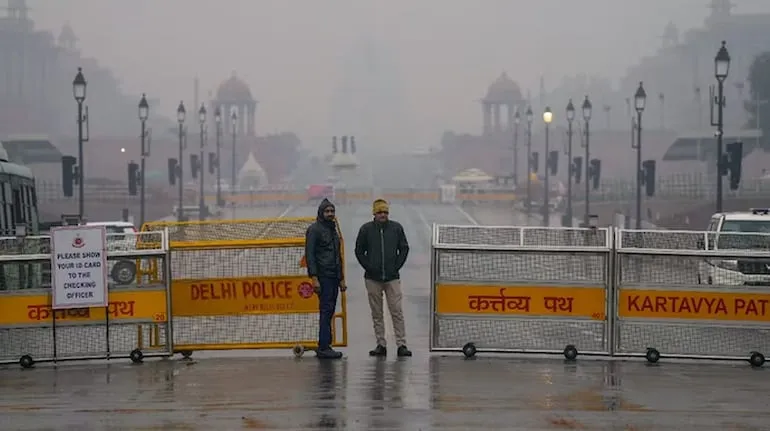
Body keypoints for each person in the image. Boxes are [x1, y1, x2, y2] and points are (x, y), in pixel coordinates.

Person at [355, 198, 412, 357]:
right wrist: (369, 266)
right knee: (377, 313)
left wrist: (396, 266)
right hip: (372, 278)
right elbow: (359, 250)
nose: (383, 215)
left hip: (392, 277)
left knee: (397, 311)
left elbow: (404, 248)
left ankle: (401, 344)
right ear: (374, 213)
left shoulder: (396, 228)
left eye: (385, 212)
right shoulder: (366, 229)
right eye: (380, 212)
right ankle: (381, 344)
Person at [305, 198, 345, 359]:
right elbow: (310, 255)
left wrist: (341, 278)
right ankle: (323, 346)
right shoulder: (314, 230)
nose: (330, 214)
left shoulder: (333, 230)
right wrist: (314, 278)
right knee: (326, 310)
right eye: (327, 211)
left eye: (332, 211)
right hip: (323, 277)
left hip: (333, 276)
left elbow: (338, 256)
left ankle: (326, 344)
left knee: (329, 311)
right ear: (321, 213)